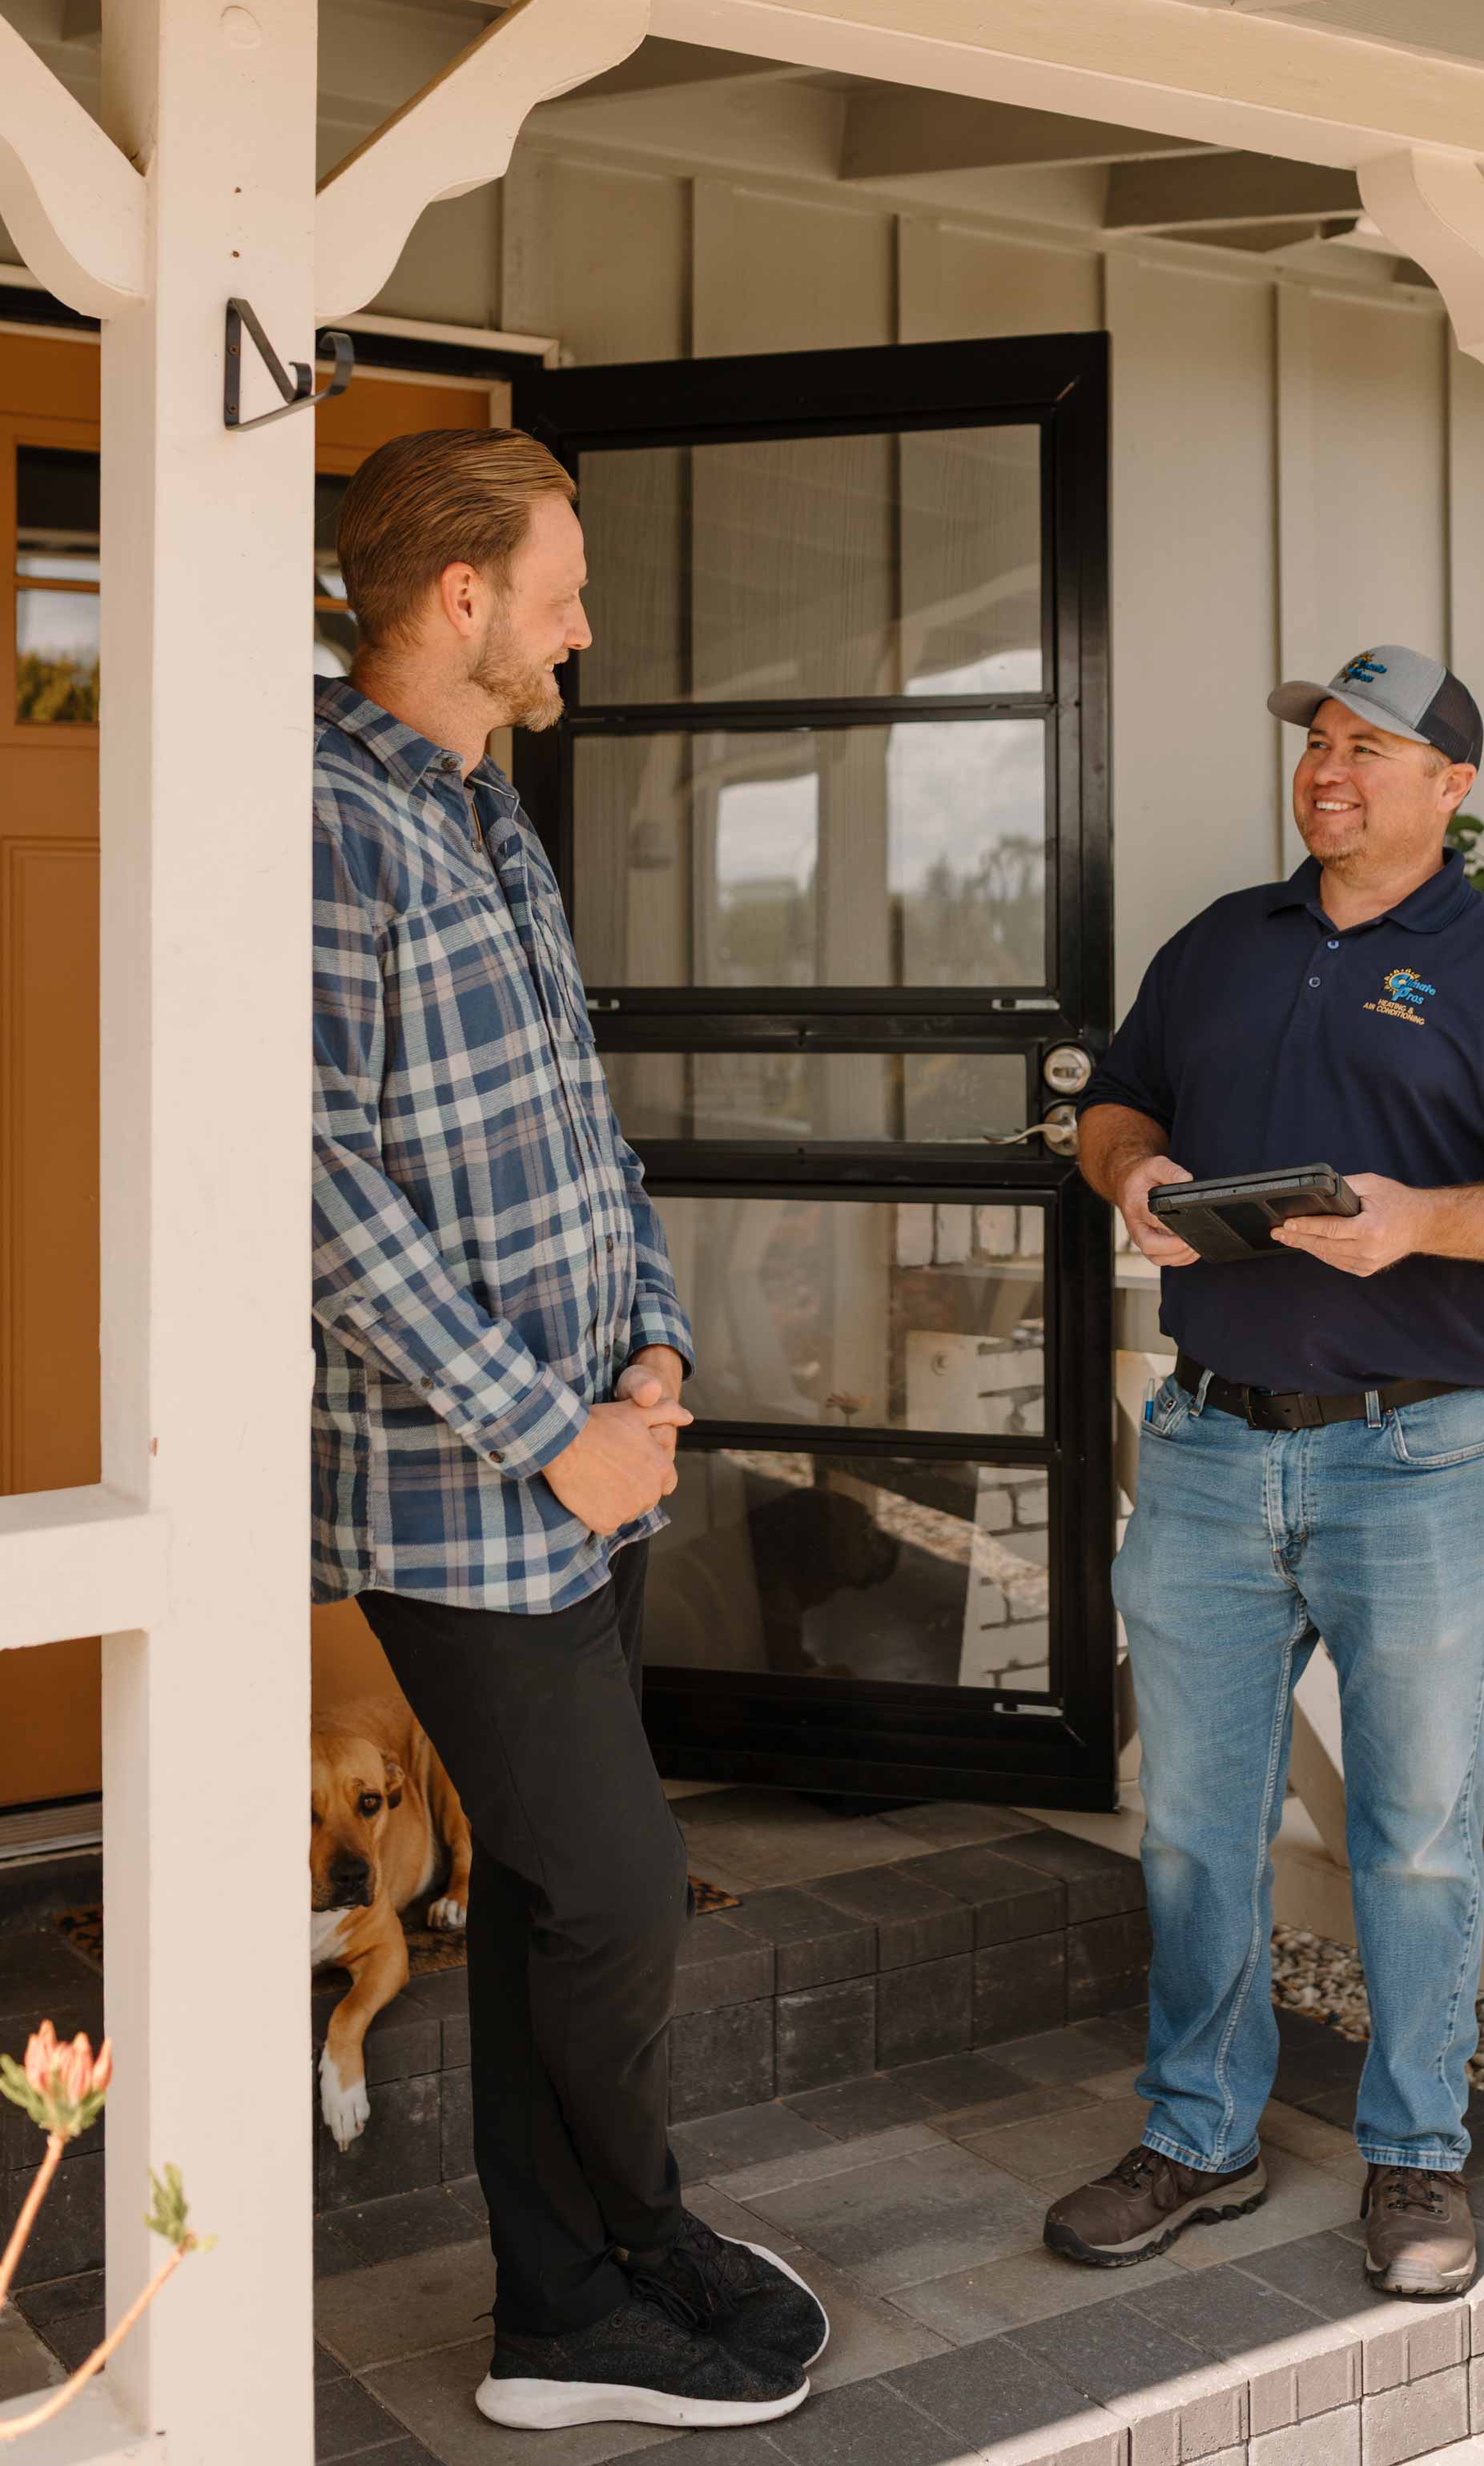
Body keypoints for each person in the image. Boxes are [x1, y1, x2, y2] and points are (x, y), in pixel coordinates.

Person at [311, 428, 826, 2435]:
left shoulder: (488, 815)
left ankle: (566, 2308)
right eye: (562, 590)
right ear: (461, 600)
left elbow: (576, 1126)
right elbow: (319, 1184)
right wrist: (552, 1430)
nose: (581, 627)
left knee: (545, 1895)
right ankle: (637, 2233)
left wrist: (655, 1359)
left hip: (586, 1464)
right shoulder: (321, 819)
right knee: (610, 1893)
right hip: (459, 1495)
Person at [1042, 645, 1484, 2299]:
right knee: (1192, 1824)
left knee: (1408, 1835)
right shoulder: (1218, 946)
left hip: (1424, 1449)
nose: (1327, 770)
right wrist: (1136, 1169)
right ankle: (1196, 2135)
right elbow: (1111, 1103)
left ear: (1448, 788)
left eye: (1368, 748)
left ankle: (1414, 2158)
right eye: (1316, 742)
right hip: (1207, 1442)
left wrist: (1422, 1222)